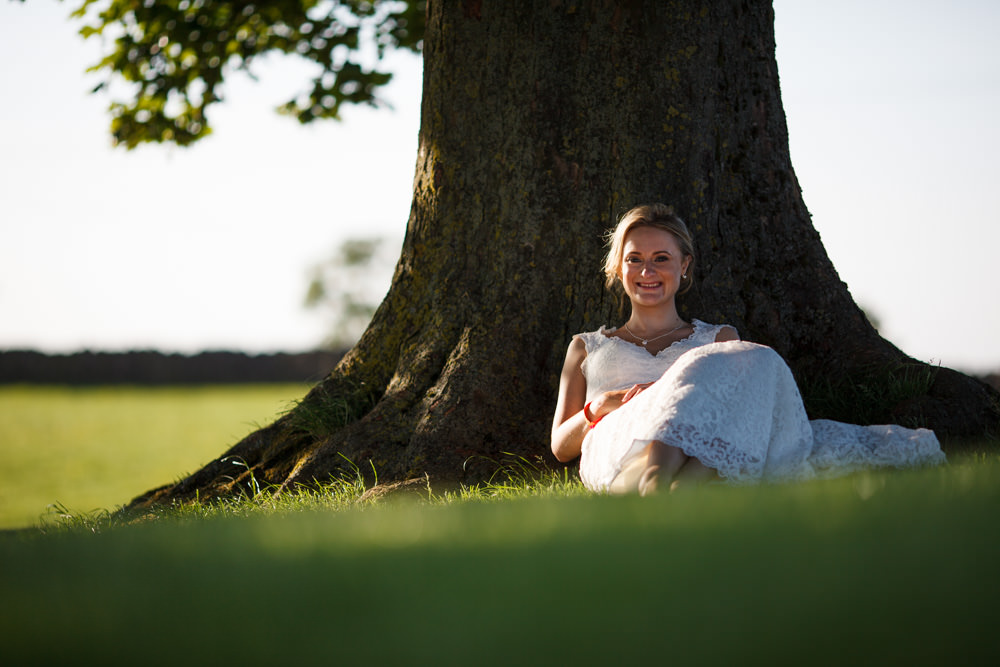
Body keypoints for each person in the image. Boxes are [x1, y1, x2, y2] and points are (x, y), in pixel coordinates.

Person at [551, 203, 945, 495]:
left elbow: (743, 414)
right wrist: (598, 408)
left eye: (661, 259)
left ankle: (671, 500)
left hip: (707, 451)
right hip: (619, 445)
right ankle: (655, 481)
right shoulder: (588, 347)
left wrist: (679, 387)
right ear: (618, 267)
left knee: (756, 359)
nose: (647, 271)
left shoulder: (717, 338)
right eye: (634, 259)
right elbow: (560, 447)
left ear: (684, 266)